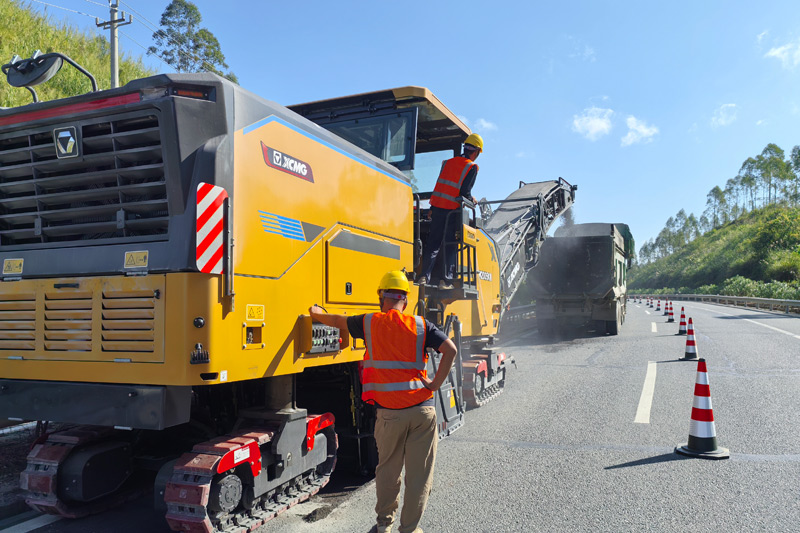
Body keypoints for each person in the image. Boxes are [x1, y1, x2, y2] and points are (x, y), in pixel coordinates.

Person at [309, 270, 457, 533]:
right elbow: (450, 350)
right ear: (406, 300)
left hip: (390, 415)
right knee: (419, 477)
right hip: (423, 412)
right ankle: (409, 530)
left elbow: (337, 321)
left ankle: (383, 526)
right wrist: (435, 383)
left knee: (388, 472)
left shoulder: (370, 323)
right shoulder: (422, 325)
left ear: (381, 298)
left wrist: (316, 312)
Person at [418, 133, 484, 290]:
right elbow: (464, 192)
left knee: (433, 244)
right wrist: (472, 199)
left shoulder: (447, 163)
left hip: (438, 208)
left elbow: (439, 186)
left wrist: (432, 208)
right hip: (452, 212)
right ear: (476, 151)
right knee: (450, 245)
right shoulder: (472, 167)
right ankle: (445, 281)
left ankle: (423, 277)